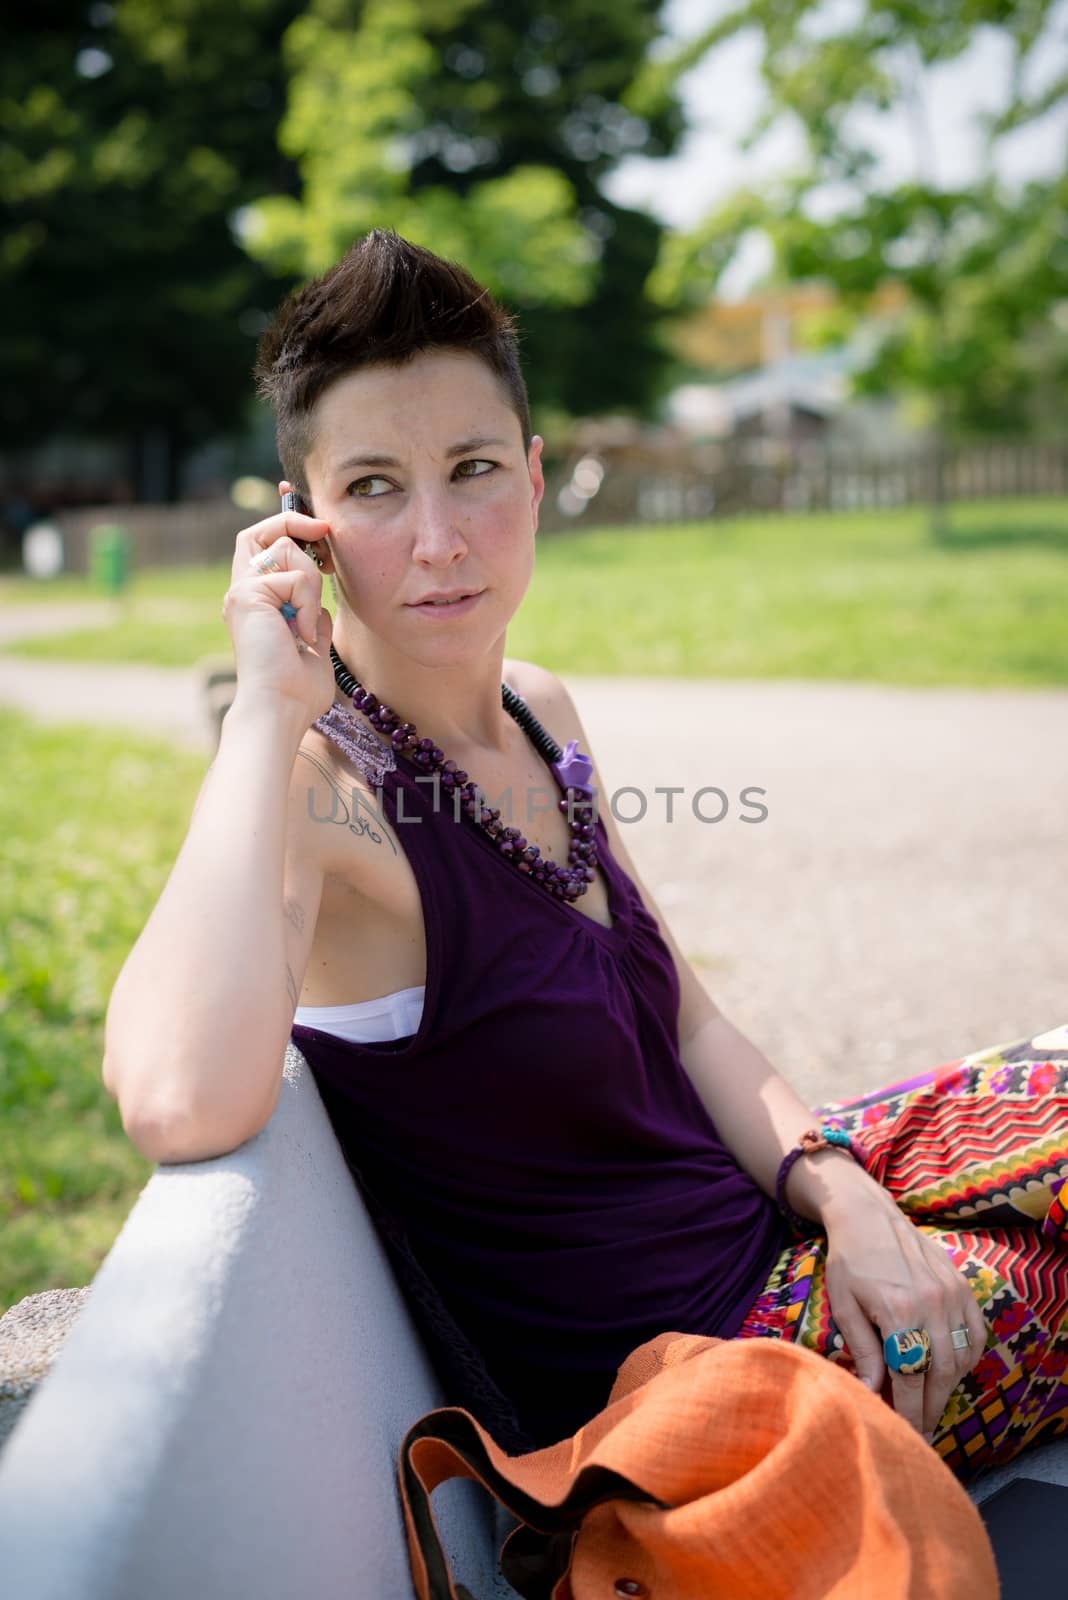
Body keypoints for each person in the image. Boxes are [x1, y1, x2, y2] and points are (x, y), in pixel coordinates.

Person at [102, 230, 1068, 1482]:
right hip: (713, 1370)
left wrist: (846, 1195)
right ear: (306, 527)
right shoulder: (314, 792)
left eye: (474, 469)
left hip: (773, 1222)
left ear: (538, 477)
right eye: (379, 487)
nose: (441, 537)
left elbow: (693, 1023)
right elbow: (176, 1097)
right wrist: (267, 704)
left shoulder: (540, 710)